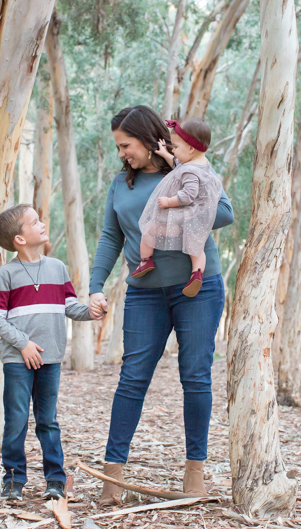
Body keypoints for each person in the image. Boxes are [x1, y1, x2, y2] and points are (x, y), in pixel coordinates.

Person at [87, 105, 234, 505]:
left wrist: (174, 172)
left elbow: (224, 213)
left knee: (196, 376)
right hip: (144, 291)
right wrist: (95, 285)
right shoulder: (122, 184)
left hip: (197, 289)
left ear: (149, 140)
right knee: (132, 378)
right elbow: (109, 237)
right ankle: (112, 476)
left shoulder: (188, 170)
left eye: (126, 145)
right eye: (118, 147)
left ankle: (195, 473)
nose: (122, 153)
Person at [0, 204, 95, 502]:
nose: (42, 223)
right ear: (20, 239)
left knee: (48, 420)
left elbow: (69, 306)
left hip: (51, 358)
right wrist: (23, 344)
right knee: (17, 420)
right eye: (34, 222)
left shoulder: (57, 268)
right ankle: (12, 481)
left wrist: (92, 311)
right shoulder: (4, 274)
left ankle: (55, 481)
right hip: (17, 359)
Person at [132, 118, 224, 298]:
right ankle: (196, 273)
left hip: (182, 213)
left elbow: (188, 195)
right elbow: (178, 163)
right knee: (196, 248)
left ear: (190, 148)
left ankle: (145, 261)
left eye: (176, 147)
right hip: (196, 218)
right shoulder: (201, 165)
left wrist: (168, 201)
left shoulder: (190, 171)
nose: (173, 150)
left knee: (150, 229)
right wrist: (166, 154)